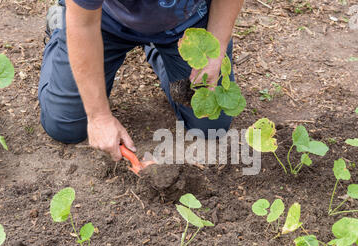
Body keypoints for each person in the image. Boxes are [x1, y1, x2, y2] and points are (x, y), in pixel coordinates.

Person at [38, 0, 244, 162]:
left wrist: (216, 45)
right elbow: (83, 25)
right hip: (103, 20)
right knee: (64, 125)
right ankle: (61, 26)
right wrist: (98, 116)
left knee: (209, 124)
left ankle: (157, 49)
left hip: (185, 24)